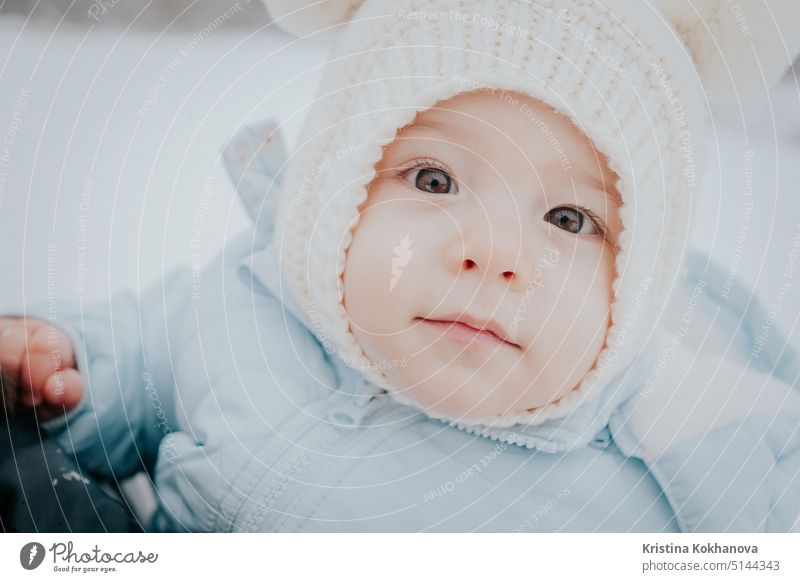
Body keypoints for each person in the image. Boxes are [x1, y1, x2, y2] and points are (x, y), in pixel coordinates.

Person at [1, 0, 799, 532]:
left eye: (569, 218)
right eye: (434, 179)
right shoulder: (253, 301)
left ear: (638, 288)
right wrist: (69, 368)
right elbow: (149, 353)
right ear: (337, 188)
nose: (491, 254)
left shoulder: (694, 453)